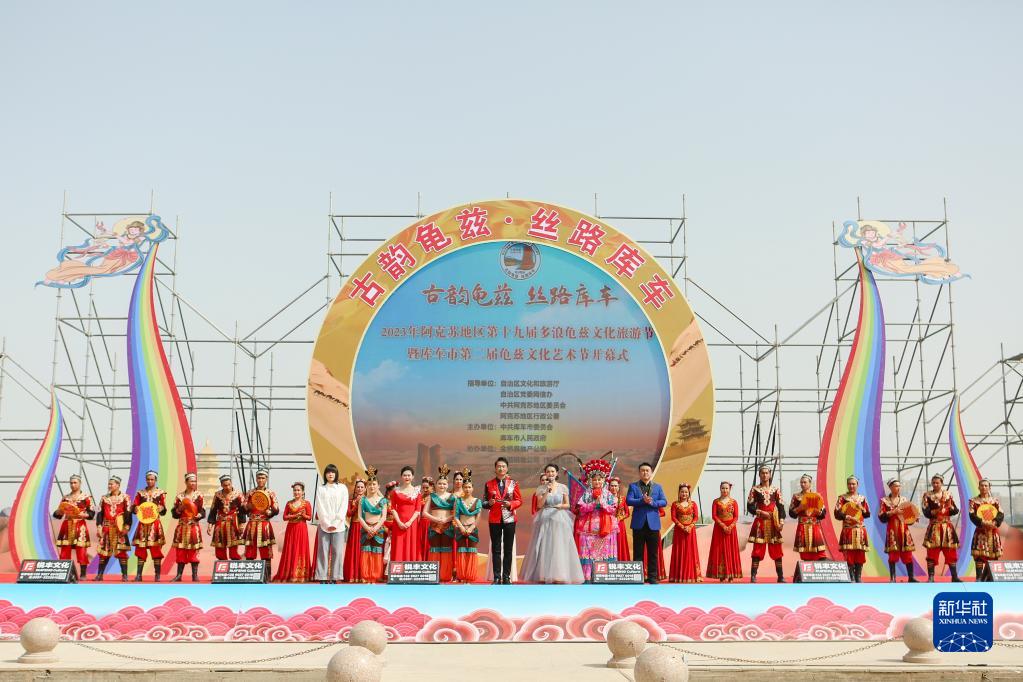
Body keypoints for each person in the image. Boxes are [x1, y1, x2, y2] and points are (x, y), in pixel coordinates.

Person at [521, 463, 583, 584]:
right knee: (544, 545)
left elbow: (568, 504)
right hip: (545, 517)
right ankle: (543, 574)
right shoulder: (541, 488)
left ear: (557, 473)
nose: (550, 473)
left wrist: (561, 506)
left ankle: (559, 574)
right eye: (548, 471)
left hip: (559, 517)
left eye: (553, 471)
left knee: (558, 545)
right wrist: (546, 492)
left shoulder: (563, 487)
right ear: (545, 473)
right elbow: (539, 505)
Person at [574, 459, 618, 582]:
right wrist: (593, 504)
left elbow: (613, 509)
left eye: (599, 479)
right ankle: (588, 575)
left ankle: (605, 576)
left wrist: (602, 503)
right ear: (590, 481)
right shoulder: (586, 494)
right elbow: (581, 509)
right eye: (595, 480)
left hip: (606, 526)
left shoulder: (608, 494)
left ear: (603, 480)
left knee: (605, 550)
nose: (597, 482)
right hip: (589, 526)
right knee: (589, 550)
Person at [482, 457, 522, 584]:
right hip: (494, 519)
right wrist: (489, 503)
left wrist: (511, 504)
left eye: (503, 466)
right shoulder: (488, 484)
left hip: (509, 518)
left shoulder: (513, 483)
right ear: (495, 469)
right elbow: (484, 503)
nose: (501, 468)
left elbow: (519, 500)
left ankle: (506, 577)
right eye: (499, 466)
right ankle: (497, 577)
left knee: (508, 549)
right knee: (496, 549)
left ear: (507, 468)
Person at [626, 462, 667, 584]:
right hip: (638, 523)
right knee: (638, 552)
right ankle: (637, 577)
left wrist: (653, 503)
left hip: (653, 524)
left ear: (651, 472)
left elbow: (664, 501)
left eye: (647, 470)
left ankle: (652, 577)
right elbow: (629, 500)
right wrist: (642, 500)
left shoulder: (658, 487)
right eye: (642, 470)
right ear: (639, 473)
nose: (645, 472)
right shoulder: (633, 486)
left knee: (653, 552)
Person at [746, 465, 785, 583]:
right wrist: (760, 512)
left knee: (777, 549)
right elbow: (750, 506)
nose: (764, 475)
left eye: (767, 473)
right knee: (757, 549)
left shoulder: (776, 490)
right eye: (762, 473)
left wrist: (781, 521)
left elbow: (781, 507)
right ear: (759, 475)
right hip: (760, 522)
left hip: (773, 523)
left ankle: (780, 576)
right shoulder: (755, 489)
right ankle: (753, 576)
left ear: (770, 474)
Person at [52, 474, 94, 580]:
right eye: (71, 483)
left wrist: (83, 515)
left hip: (80, 525)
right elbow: (58, 515)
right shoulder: (65, 498)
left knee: (81, 550)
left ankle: (83, 574)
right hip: (67, 524)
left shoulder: (86, 497)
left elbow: (91, 513)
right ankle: (65, 573)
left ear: (80, 483)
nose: (73, 485)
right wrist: (59, 511)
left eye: (75, 483)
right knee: (65, 550)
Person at [789, 473, 828, 582]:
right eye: (801, 482)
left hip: (814, 526)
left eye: (805, 482)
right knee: (805, 554)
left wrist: (818, 512)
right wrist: (799, 508)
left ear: (810, 483)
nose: (803, 484)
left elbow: (823, 513)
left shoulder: (817, 496)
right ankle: (807, 576)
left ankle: (820, 577)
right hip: (802, 526)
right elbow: (791, 513)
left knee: (819, 552)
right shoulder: (796, 497)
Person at [922, 474, 960, 582]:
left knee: (950, 552)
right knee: (932, 552)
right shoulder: (927, 495)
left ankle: (954, 577)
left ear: (942, 483)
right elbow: (926, 512)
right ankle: (931, 577)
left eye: (937, 482)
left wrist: (950, 507)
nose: (935, 484)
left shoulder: (948, 495)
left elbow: (955, 510)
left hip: (947, 527)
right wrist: (935, 511)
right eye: (933, 482)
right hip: (934, 527)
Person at [243, 469, 280, 582]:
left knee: (266, 551)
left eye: (263, 478)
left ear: (266, 479)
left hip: (264, 524)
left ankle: (267, 576)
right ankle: (249, 576)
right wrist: (247, 506)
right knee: (250, 550)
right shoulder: (250, 492)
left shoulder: (270, 493)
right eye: (259, 478)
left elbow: (276, 508)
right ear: (256, 479)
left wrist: (271, 512)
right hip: (252, 524)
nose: (260, 480)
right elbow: (243, 507)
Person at [878, 478, 917, 583]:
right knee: (893, 555)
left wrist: (914, 518)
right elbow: (881, 517)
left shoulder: (904, 500)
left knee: (908, 554)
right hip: (892, 530)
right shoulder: (885, 501)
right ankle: (893, 578)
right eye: (895, 486)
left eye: (899, 486)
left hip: (904, 530)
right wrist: (893, 512)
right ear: (890, 487)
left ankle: (911, 577)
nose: (898, 488)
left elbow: (909, 517)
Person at [314, 464, 348, 583]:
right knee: (323, 551)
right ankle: (322, 577)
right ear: (325, 474)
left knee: (337, 552)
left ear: (336, 474)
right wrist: (327, 523)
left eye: (333, 472)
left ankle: (335, 577)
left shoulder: (342, 488)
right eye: (328, 472)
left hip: (339, 526)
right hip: (324, 526)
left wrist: (336, 522)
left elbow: (344, 506)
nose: (330, 474)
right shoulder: (321, 488)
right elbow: (320, 506)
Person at [131, 470, 168, 581]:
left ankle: (157, 575)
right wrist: (135, 508)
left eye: (152, 479)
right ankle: (139, 575)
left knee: (156, 549)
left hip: (155, 524)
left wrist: (161, 508)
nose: (150, 481)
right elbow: (134, 506)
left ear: (155, 480)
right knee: (141, 549)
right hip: (143, 524)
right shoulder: (140, 493)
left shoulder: (160, 493)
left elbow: (164, 510)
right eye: (148, 479)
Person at [833, 475, 870, 582]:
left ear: (857, 485)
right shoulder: (842, 498)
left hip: (859, 529)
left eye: (853, 484)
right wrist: (845, 516)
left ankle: (858, 577)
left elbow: (867, 514)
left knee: (860, 553)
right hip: (848, 528)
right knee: (849, 554)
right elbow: (837, 513)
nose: (851, 486)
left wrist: (861, 508)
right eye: (849, 484)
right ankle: (851, 577)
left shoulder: (862, 499)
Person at [422, 466, 456, 582]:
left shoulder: (452, 497)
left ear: (448, 485)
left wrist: (446, 520)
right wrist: (436, 519)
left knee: (446, 550)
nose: (442, 486)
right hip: (434, 526)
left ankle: (445, 575)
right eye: (440, 483)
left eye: (444, 484)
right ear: (436, 485)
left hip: (448, 526)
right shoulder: (431, 497)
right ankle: (433, 575)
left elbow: (456, 513)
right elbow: (424, 513)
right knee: (435, 549)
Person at [94, 475, 131, 581]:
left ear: (118, 485)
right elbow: (100, 513)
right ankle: (99, 575)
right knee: (103, 553)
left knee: (121, 552)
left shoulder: (125, 497)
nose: (109, 486)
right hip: (106, 527)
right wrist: (99, 526)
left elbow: (128, 513)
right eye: (109, 484)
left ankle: (124, 575)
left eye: (111, 484)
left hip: (119, 529)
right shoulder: (104, 498)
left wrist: (126, 527)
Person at [275, 482, 313, 582]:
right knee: (290, 549)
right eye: (295, 490)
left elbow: (309, 517)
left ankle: (301, 575)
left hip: (301, 529)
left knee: (300, 548)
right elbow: (284, 517)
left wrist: (303, 515)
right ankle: (289, 573)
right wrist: (294, 516)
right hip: (291, 529)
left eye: (298, 490)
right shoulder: (289, 503)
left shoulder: (307, 503)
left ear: (303, 492)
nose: (296, 492)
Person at [170, 473, 205, 582]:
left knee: (194, 550)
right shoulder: (179, 497)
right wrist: (179, 509)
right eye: (191, 481)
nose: (193, 483)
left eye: (195, 481)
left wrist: (200, 515)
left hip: (193, 526)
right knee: (180, 551)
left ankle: (194, 575)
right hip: (182, 527)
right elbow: (174, 514)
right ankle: (179, 575)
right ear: (186, 482)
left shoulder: (199, 496)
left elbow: (202, 510)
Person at [969, 478, 1004, 582]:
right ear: (978, 487)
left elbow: (1000, 513)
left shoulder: (995, 501)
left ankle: (991, 578)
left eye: (986, 486)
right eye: (982, 485)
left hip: (993, 531)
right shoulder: (973, 501)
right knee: (979, 555)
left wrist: (995, 522)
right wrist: (982, 522)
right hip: (981, 531)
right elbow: (972, 515)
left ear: (989, 488)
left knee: (993, 555)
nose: (984, 487)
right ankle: (979, 578)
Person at [706, 481, 742, 582]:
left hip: (731, 530)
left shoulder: (734, 502)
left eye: (726, 488)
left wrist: (730, 526)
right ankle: (721, 574)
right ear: (720, 489)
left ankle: (731, 574)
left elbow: (736, 516)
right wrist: (723, 526)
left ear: (729, 489)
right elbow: (714, 516)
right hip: (719, 529)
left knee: (731, 550)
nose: (725, 490)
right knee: (720, 550)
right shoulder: (716, 502)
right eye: (723, 488)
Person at [359, 468, 389, 583]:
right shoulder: (362, 500)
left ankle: (375, 577)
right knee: (366, 552)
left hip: (378, 529)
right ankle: (366, 577)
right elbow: (360, 516)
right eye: (369, 484)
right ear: (367, 486)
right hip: (366, 529)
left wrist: (375, 528)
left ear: (378, 486)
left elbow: (384, 517)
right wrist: (367, 528)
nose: (372, 486)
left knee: (377, 552)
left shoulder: (383, 500)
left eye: (374, 484)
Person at [453, 469, 483, 583]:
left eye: (469, 487)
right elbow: (456, 516)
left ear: (473, 488)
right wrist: (461, 527)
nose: (467, 489)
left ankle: (470, 576)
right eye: (465, 487)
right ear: (463, 488)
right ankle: (461, 575)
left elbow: (478, 517)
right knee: (461, 551)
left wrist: (471, 528)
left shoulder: (477, 501)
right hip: (460, 528)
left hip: (472, 528)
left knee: (471, 551)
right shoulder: (458, 501)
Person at [668, 483, 702, 583]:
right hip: (679, 531)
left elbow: (696, 517)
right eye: (682, 492)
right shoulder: (675, 504)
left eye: (686, 492)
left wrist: (690, 526)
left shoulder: (693, 504)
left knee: (691, 551)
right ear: (679, 493)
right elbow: (673, 517)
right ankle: (679, 576)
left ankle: (692, 575)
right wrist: (682, 527)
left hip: (690, 531)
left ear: (689, 493)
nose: (684, 494)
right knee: (680, 551)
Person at [208, 474, 246, 560]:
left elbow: (242, 510)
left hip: (233, 523)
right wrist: (210, 524)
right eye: (225, 485)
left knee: (233, 552)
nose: (227, 487)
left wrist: (242, 524)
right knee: (219, 551)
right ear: (221, 485)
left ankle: (236, 564)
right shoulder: (217, 495)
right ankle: (223, 564)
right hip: (220, 523)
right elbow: (213, 510)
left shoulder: (238, 495)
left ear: (231, 483)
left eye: (229, 484)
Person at [388, 466, 422, 563]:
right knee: (398, 545)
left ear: (412, 477)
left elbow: (418, 510)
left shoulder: (417, 491)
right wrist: (399, 522)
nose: (407, 477)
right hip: (398, 522)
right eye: (404, 475)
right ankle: (398, 568)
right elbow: (393, 508)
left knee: (411, 544)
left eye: (409, 475)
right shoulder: (395, 491)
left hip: (412, 524)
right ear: (401, 476)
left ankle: (410, 567)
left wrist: (410, 522)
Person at [342, 478, 366, 583]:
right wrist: (356, 505)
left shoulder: (368, 500)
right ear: (355, 488)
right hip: (354, 527)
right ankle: (352, 575)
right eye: (358, 487)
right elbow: (348, 514)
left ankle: (363, 575)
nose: (360, 489)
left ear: (365, 489)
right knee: (353, 550)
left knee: (363, 550)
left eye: (362, 487)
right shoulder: (350, 501)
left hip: (365, 527)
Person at [608, 477, 631, 564]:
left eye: (615, 486)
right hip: (608, 524)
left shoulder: (622, 498)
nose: (614, 488)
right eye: (612, 486)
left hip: (619, 525)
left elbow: (627, 513)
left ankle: (621, 563)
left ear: (618, 487)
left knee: (620, 542)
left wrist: (619, 518)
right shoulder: (605, 499)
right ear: (609, 487)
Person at [419, 476, 434, 560]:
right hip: (421, 523)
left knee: (429, 543)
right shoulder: (420, 497)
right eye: (423, 488)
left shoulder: (435, 497)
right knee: (421, 543)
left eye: (427, 488)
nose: (425, 490)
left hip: (431, 523)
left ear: (432, 487)